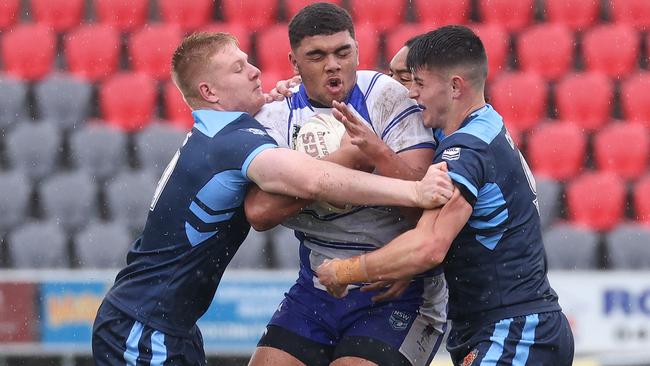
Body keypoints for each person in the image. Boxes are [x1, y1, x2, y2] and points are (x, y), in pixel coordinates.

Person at [91, 32, 454, 366]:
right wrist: (414, 190)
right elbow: (315, 181)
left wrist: (277, 98)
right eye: (238, 68)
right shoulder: (234, 142)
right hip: (144, 323)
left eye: (249, 61)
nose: (255, 71)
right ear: (210, 91)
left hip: (166, 321)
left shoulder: (221, 133)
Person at [316, 25, 575, 366]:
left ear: (455, 87)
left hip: (513, 329)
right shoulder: (484, 125)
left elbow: (428, 246)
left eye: (418, 83)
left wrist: (344, 272)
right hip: (504, 325)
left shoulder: (465, 151)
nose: (411, 95)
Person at [246, 3, 449, 366]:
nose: (333, 64)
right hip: (316, 287)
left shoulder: (387, 96)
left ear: (357, 49)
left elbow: (421, 210)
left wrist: (377, 153)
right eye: (317, 55)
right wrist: (345, 163)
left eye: (343, 52)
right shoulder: (276, 115)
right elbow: (260, 213)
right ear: (294, 62)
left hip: (395, 287)